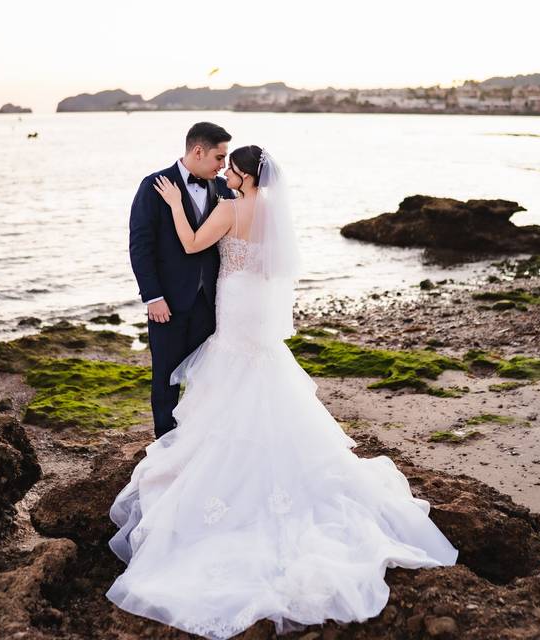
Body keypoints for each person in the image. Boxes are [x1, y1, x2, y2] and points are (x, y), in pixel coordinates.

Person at [109, 145, 458, 639]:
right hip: (257, 305)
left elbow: (189, 245)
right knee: (264, 371)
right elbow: (274, 269)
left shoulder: (229, 208)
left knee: (232, 374)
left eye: (232, 167)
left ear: (246, 175)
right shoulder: (272, 211)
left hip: (234, 306)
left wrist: (172, 206)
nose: (225, 171)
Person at [129, 122, 235, 439]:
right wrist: (153, 297)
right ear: (198, 151)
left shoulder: (224, 190)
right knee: (165, 374)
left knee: (206, 372)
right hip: (169, 302)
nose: (223, 166)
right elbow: (140, 246)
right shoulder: (154, 186)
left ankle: (197, 435)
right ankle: (164, 440)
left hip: (212, 302)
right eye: (219, 157)